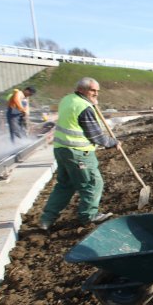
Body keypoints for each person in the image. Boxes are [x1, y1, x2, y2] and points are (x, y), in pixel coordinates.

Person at [38, 78, 118, 231]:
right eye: (93, 91)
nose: (96, 94)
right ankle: (89, 216)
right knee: (92, 183)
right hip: (78, 153)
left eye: (97, 91)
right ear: (82, 90)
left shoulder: (67, 99)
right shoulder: (84, 107)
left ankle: (46, 219)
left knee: (65, 185)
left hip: (61, 149)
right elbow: (95, 135)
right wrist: (112, 142)